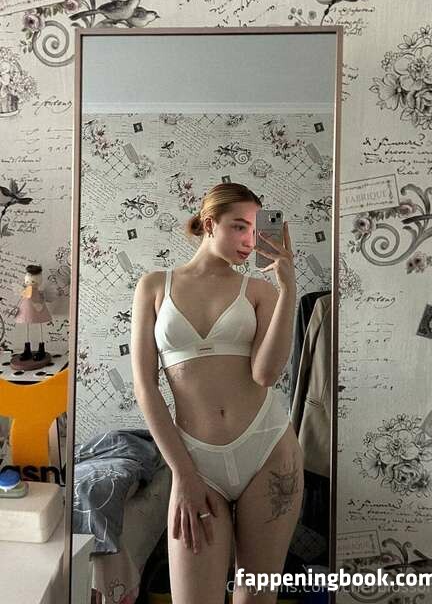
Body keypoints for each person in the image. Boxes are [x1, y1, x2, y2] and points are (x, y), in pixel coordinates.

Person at [131, 182, 303, 603]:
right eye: (239, 226)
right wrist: (183, 474)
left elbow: (266, 374)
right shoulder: (154, 286)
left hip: (267, 450)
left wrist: (289, 289)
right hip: (195, 460)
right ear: (209, 224)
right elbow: (145, 386)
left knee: (256, 597)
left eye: (256, 230)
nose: (250, 240)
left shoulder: (260, 292)